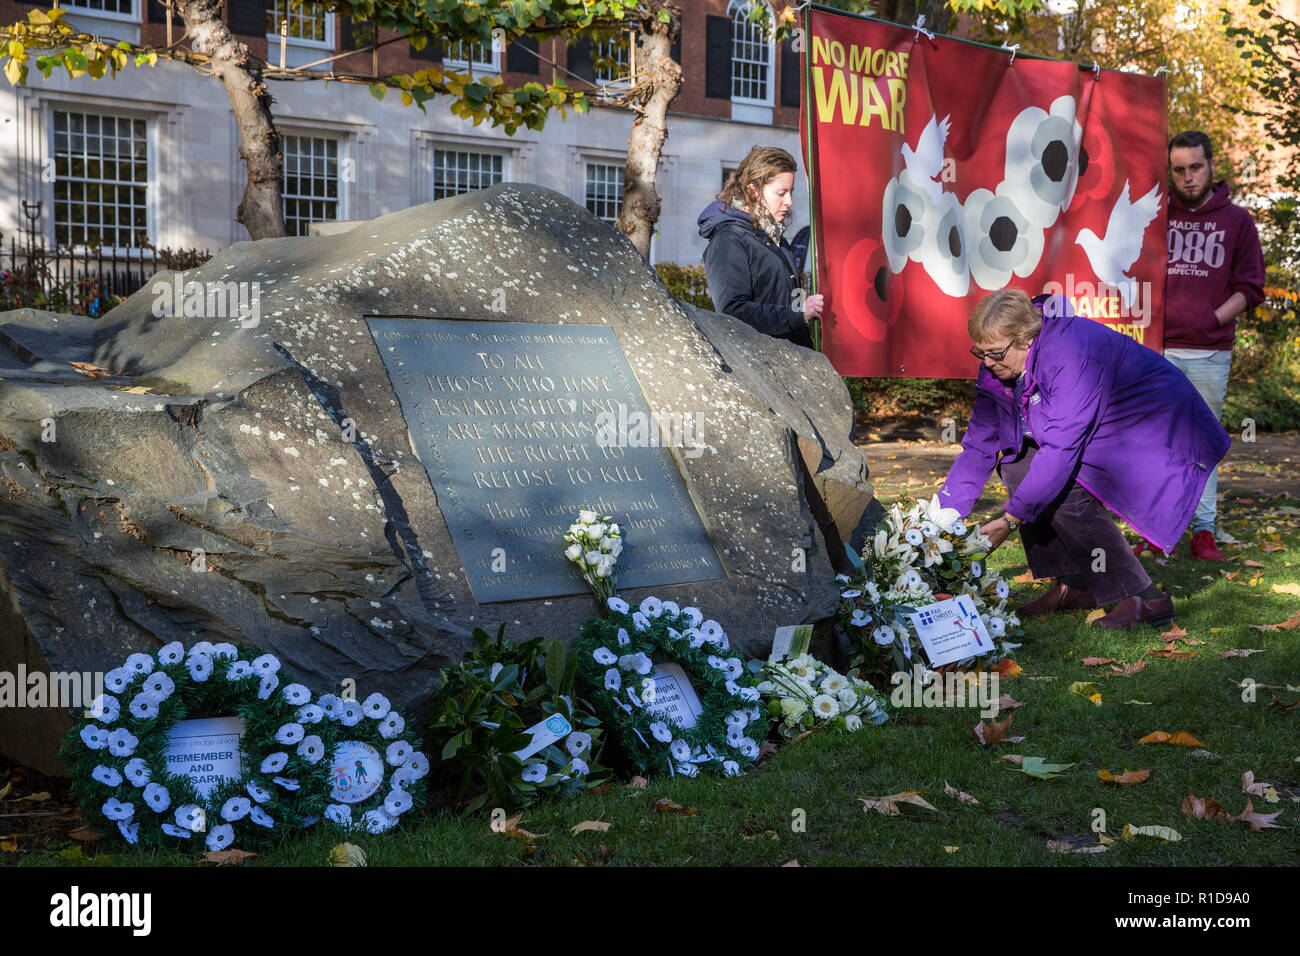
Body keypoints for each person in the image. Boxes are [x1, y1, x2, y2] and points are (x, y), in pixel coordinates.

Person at [937, 289, 1231, 629]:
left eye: (995, 354)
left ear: (1026, 339)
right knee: (1018, 464)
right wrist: (944, 515)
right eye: (981, 353)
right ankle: (1074, 586)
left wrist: (1009, 521)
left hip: (1154, 420)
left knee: (1063, 489)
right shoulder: (997, 359)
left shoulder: (1070, 353)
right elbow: (979, 444)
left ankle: (1146, 597)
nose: (987, 363)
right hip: (1099, 423)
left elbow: (1060, 449)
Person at [1146, 131, 1265, 561]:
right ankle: (1155, 528)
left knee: (1202, 441)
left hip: (1210, 352)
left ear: (1212, 165)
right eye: (1178, 170)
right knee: (1154, 440)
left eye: (1195, 167)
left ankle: (1202, 530)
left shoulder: (1237, 222)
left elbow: (1250, 288)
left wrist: (1210, 318)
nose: (1188, 177)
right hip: (1156, 348)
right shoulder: (1155, 216)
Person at [697, 146, 822, 348]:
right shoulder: (729, 239)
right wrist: (798, 315)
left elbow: (788, 301)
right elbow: (733, 313)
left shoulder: (775, 237)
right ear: (753, 191)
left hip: (792, 361)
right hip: (762, 367)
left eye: (791, 192)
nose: (789, 202)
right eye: (781, 193)